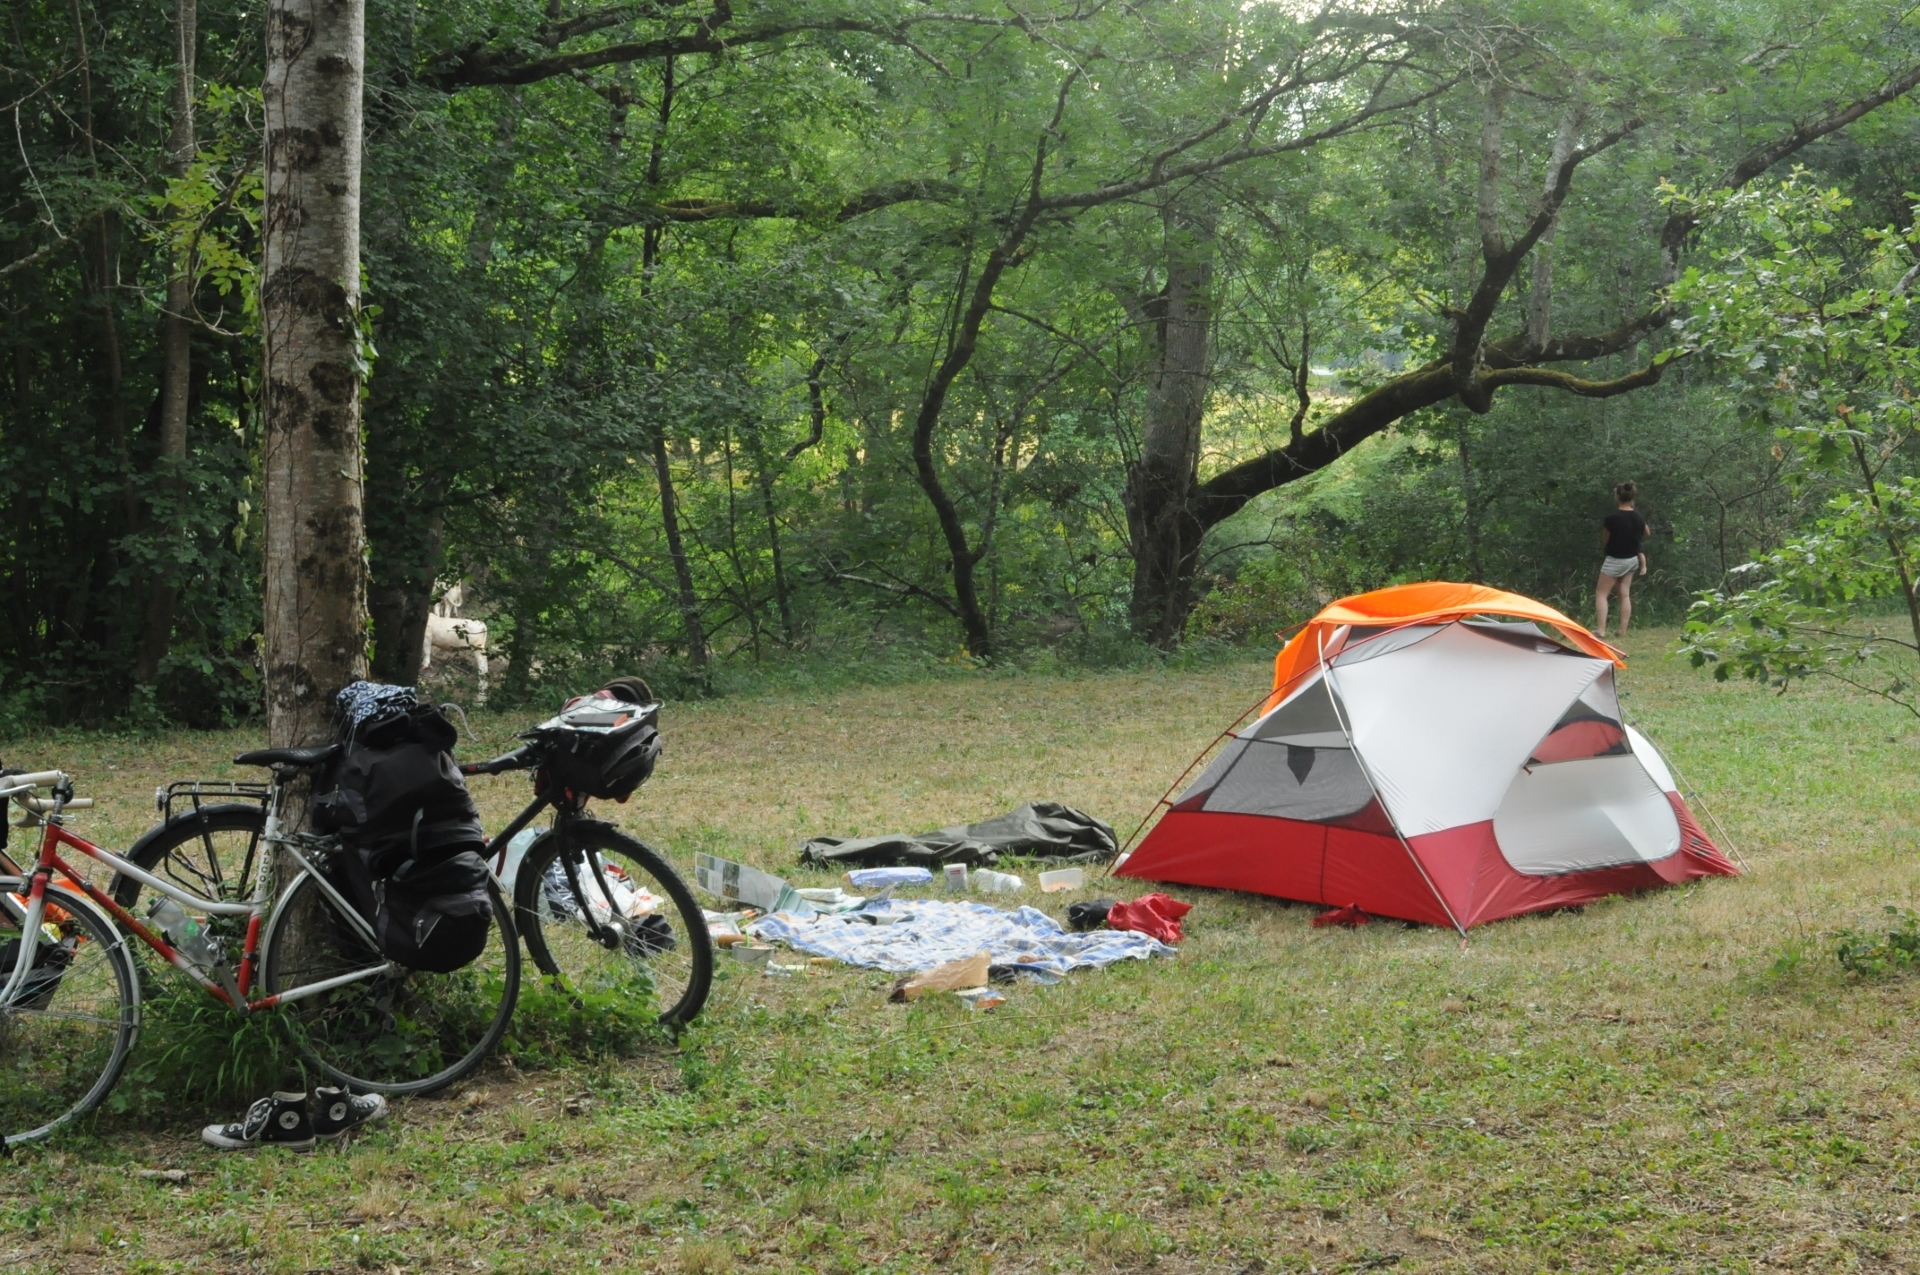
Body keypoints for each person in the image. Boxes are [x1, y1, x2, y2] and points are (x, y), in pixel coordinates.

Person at [1595, 481, 1649, 639]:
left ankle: (1601, 630)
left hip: (1614, 560)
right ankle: (1622, 630)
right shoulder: (1637, 516)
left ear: (1618, 497)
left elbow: (1605, 539)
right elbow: (1647, 532)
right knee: (1624, 594)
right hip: (1632, 560)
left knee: (1601, 593)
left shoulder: (1612, 518)